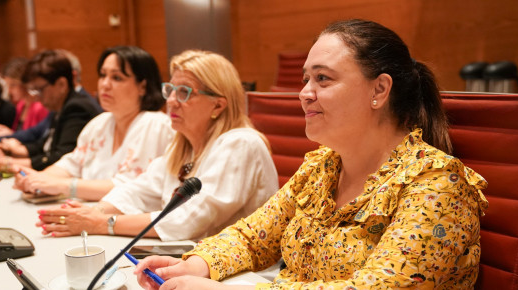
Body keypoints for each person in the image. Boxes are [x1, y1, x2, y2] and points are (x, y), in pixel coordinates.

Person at [134, 19, 489, 289]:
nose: (304, 93)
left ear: (379, 89)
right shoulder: (323, 166)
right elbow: (253, 237)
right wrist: (194, 265)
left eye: (323, 79)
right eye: (306, 79)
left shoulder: (438, 184)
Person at [34, 50, 279, 241]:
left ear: (218, 105)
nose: (171, 101)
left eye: (184, 92)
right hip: (189, 261)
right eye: (170, 90)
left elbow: (188, 221)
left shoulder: (241, 144)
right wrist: (94, 212)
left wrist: (102, 223)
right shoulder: (184, 146)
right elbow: (138, 190)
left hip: (243, 276)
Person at [13, 46, 174, 201]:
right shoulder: (99, 123)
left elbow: (130, 186)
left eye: (116, 77)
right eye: (103, 75)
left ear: (142, 87)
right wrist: (35, 179)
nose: (105, 84)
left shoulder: (156, 125)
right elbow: (71, 164)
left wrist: (64, 186)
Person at [0, 50, 101, 172]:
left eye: (40, 90)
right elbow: (45, 143)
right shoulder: (62, 104)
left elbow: (60, 158)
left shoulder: (77, 107)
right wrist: (10, 150)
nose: (36, 96)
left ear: (61, 84)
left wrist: (5, 163)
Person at [0, 57, 50, 143]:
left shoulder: (39, 107)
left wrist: (9, 134)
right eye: (8, 86)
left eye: (13, 85)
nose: (9, 91)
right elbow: (18, 134)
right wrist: (3, 130)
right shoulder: (21, 105)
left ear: (26, 83)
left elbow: (38, 142)